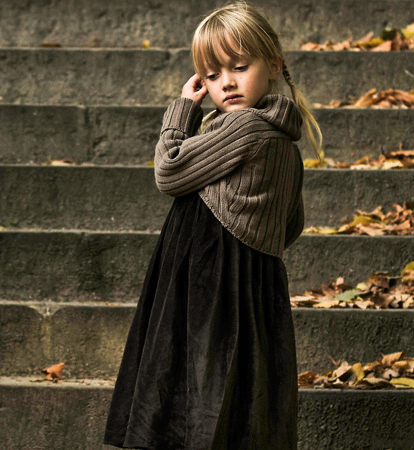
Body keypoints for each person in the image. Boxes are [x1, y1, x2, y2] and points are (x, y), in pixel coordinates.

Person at [104, 2, 323, 449]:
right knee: (237, 390)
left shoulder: (243, 128)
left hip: (207, 279)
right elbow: (291, 224)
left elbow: (168, 172)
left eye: (240, 67)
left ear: (274, 65)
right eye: (210, 75)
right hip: (253, 281)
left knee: (191, 382)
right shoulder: (285, 141)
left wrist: (182, 110)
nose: (225, 82)